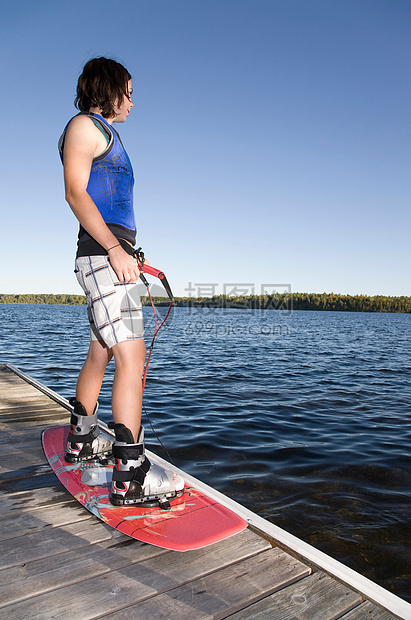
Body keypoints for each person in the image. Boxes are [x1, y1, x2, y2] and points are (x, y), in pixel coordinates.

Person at [59, 57, 183, 507]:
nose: (132, 99)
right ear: (108, 88)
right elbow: (75, 192)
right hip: (103, 256)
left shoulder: (109, 135)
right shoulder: (84, 127)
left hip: (113, 256)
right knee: (133, 356)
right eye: (128, 90)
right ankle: (130, 473)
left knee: (102, 349)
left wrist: (127, 250)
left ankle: (83, 439)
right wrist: (114, 249)